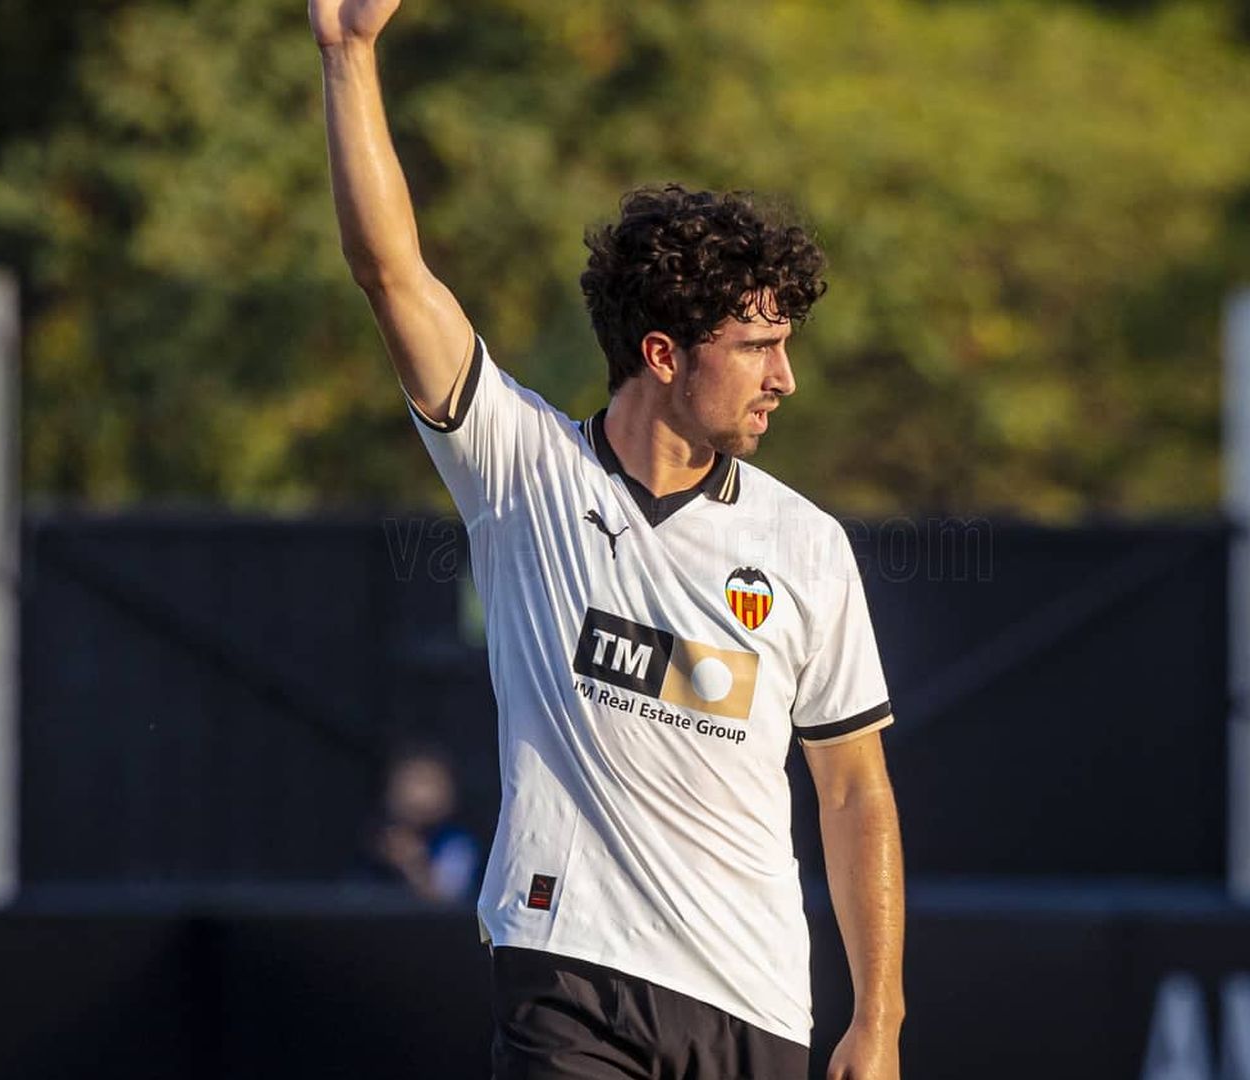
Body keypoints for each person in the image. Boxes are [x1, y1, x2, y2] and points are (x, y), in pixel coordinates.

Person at [310, 3, 905, 1078]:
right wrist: (348, 55)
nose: (785, 377)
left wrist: (880, 1018)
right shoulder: (522, 470)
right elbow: (391, 273)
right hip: (567, 974)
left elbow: (854, 789)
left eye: (786, 344)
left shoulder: (807, 544)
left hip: (756, 1001)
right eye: (758, 346)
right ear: (664, 354)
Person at [356, 745, 481, 902]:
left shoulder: (455, 842)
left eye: (427, 783)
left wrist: (412, 862)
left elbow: (447, 897)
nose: (416, 793)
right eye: (406, 781)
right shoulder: (377, 837)